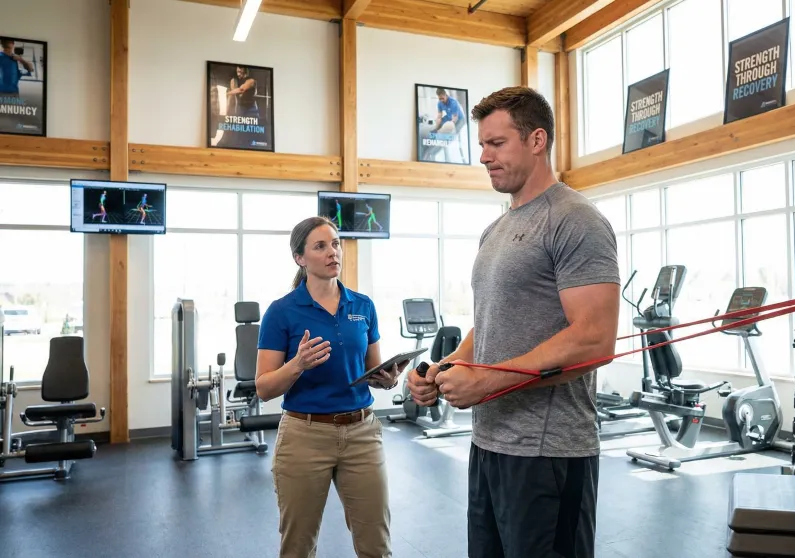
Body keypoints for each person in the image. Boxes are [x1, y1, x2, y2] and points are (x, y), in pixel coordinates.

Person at [407, 86, 620, 557]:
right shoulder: (498, 228)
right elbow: (491, 324)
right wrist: (443, 370)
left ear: (537, 140)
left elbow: (594, 340)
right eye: (482, 145)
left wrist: (487, 382)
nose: (484, 156)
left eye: (496, 144)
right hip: (491, 443)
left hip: (549, 452)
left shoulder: (575, 220)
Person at [255, 215, 404, 558]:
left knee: (376, 545)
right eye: (320, 246)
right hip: (305, 435)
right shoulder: (281, 312)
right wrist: (298, 365)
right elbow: (263, 387)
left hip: (362, 433)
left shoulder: (363, 305)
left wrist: (388, 379)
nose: (332, 252)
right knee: (298, 547)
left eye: (335, 244)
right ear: (300, 258)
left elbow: (373, 370)